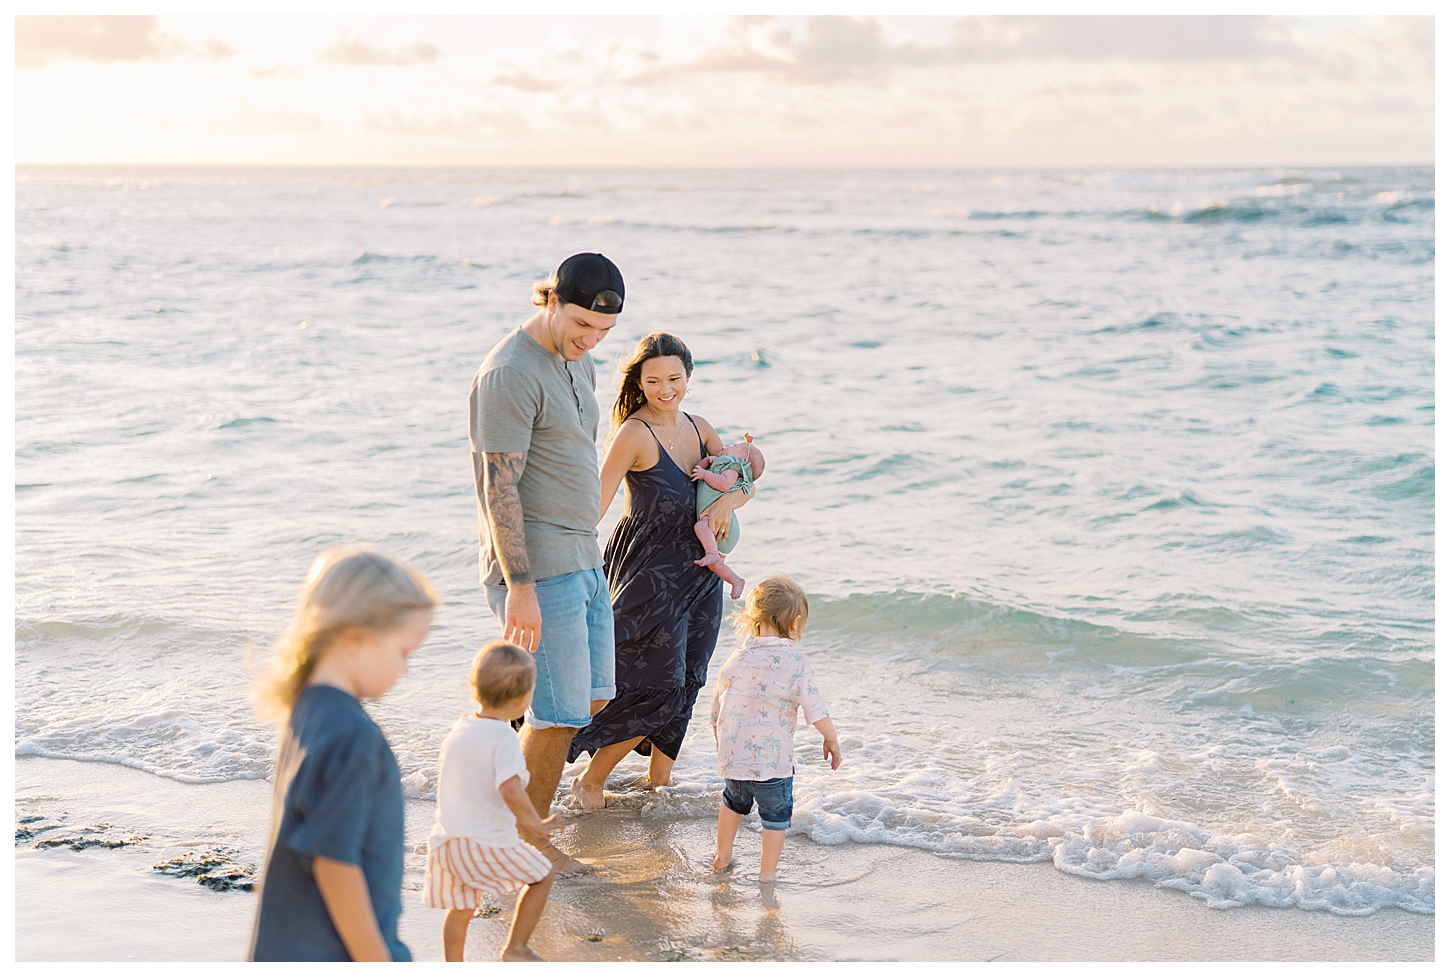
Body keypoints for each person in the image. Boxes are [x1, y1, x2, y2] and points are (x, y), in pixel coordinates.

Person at [468, 252, 625, 877]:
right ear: (552, 300)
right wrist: (520, 587)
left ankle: (498, 813)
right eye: (582, 324)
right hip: (538, 566)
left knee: (587, 702)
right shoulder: (509, 373)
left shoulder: (577, 364)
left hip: (582, 556)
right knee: (556, 713)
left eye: (602, 333)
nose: (589, 340)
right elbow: (497, 488)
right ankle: (521, 846)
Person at [567, 332, 753, 810]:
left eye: (674, 378)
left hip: (701, 572)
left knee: (689, 675)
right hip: (649, 571)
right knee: (656, 682)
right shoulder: (634, 433)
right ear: (640, 382)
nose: (665, 388)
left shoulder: (699, 427)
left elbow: (748, 470)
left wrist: (730, 501)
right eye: (654, 380)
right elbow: (596, 503)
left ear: (688, 379)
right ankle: (591, 778)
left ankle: (659, 786)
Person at [248, 546, 436, 962]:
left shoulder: (308, 712)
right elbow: (334, 863)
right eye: (404, 652)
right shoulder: (354, 737)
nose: (405, 669)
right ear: (354, 636)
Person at [423, 641, 562, 962]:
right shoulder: (503, 738)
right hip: (484, 841)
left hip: (448, 842)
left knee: (461, 909)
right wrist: (536, 824)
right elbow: (511, 790)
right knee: (542, 875)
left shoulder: (461, 728)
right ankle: (515, 949)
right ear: (522, 700)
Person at [710, 574, 841, 884]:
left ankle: (722, 855)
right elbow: (815, 708)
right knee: (776, 816)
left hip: (734, 759)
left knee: (732, 801)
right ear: (795, 624)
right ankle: (766, 875)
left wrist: (722, 742)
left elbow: (717, 702)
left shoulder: (738, 655)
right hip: (771, 764)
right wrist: (831, 738)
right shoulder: (795, 662)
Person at [690, 436, 766, 599]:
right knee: (716, 565)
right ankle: (736, 580)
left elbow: (724, 484)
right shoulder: (722, 463)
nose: (726, 445)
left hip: (722, 524)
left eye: (733, 445)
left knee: (700, 527)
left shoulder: (733, 467)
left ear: (742, 459)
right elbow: (696, 469)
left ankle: (711, 553)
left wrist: (704, 474)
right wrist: (707, 462)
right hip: (723, 526)